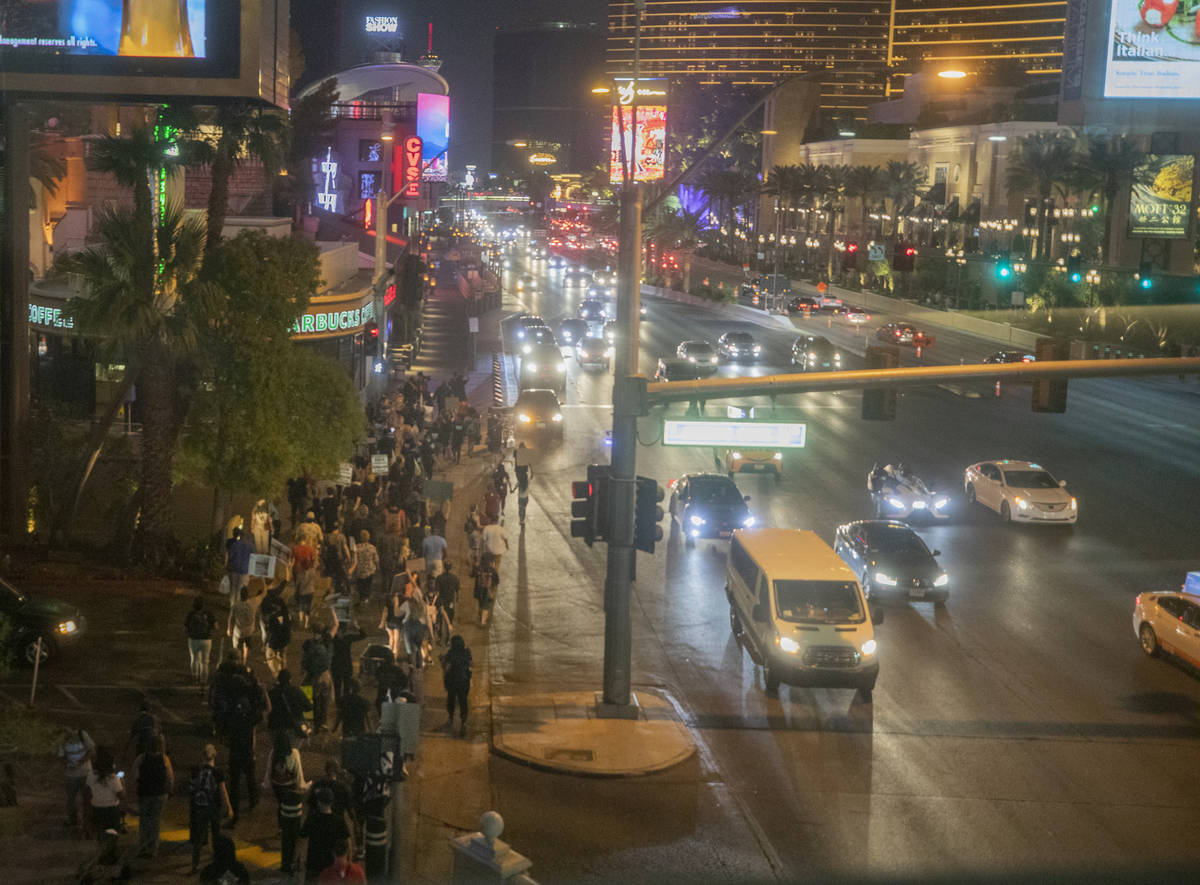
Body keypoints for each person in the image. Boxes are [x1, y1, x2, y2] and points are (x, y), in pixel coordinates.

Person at [263, 730, 309, 876]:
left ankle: (281, 826)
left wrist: (268, 783)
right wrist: (303, 785)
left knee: (281, 806)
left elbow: (269, 770)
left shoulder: (274, 753)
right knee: (294, 832)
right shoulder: (294, 753)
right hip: (290, 788)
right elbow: (298, 774)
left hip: (278, 787)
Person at [188, 744, 232, 873]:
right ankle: (216, 862)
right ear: (214, 756)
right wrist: (229, 808)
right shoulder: (217, 772)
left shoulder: (196, 770)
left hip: (200, 807)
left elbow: (191, 789)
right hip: (213, 808)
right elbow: (223, 791)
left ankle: (194, 865)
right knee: (216, 835)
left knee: (199, 837)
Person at [132, 733, 174, 858]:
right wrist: (170, 790)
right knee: (155, 821)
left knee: (144, 820)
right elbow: (170, 777)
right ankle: (153, 848)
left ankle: (143, 846)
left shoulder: (141, 758)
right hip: (160, 794)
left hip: (145, 793)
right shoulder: (164, 758)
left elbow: (135, 775)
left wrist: (139, 786)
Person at [301, 786, 351, 882]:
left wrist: (297, 858)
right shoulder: (339, 820)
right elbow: (348, 841)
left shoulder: (312, 818)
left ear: (319, 802)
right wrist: (348, 861)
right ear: (331, 802)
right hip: (332, 865)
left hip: (313, 864)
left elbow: (302, 839)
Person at [56, 724, 95, 829]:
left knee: (87, 798)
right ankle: (73, 819)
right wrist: (68, 764)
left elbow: (91, 751)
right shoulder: (62, 741)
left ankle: (88, 820)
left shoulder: (82, 735)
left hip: (85, 772)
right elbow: (61, 757)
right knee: (71, 799)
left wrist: (80, 762)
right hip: (71, 774)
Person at [85, 747, 124, 841]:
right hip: (112, 810)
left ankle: (102, 850)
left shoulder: (91, 774)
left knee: (100, 833)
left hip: (97, 808)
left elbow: (87, 792)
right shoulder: (113, 778)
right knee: (113, 835)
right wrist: (122, 782)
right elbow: (121, 795)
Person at [268, 669, 312, 741]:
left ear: (278, 680)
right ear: (290, 679)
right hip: (293, 727)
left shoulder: (272, 692)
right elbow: (309, 707)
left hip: (276, 727)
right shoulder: (296, 691)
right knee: (294, 749)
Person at [442, 635, 473, 737]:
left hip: (453, 681)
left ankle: (450, 718)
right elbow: (470, 664)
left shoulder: (450, 654)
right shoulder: (467, 652)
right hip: (464, 681)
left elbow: (447, 668)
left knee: (451, 699)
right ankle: (463, 722)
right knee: (463, 701)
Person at [185, 596, 216, 688]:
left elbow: (185, 628)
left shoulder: (191, 614)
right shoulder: (208, 613)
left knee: (194, 659)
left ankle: (195, 678)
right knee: (205, 662)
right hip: (206, 639)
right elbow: (215, 626)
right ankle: (203, 680)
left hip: (193, 639)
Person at [227, 585, 260, 667]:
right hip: (249, 631)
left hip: (239, 631)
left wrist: (229, 629)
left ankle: (237, 664)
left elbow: (231, 619)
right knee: (247, 647)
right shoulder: (252, 605)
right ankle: (245, 663)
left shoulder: (236, 606)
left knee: (236, 649)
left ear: (240, 595)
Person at [262, 592, 292, 677]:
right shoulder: (287, 616)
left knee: (271, 659)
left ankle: (277, 675)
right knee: (283, 655)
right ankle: (283, 670)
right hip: (285, 639)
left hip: (275, 642)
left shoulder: (272, 618)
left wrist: (265, 644)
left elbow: (270, 632)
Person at [225, 527, 254, 606]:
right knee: (241, 589)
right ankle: (238, 606)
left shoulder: (235, 545)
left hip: (234, 569)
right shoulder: (250, 546)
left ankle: (232, 605)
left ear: (240, 535)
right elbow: (253, 558)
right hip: (245, 570)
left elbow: (230, 556)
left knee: (233, 588)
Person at [352, 530, 379, 601]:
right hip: (370, 570)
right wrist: (377, 567)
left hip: (359, 570)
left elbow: (354, 560)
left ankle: (361, 597)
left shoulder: (356, 547)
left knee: (360, 585)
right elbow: (376, 559)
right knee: (368, 585)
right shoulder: (372, 547)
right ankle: (367, 598)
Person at [473, 556, 500, 626]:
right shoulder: (492, 570)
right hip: (488, 590)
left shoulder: (478, 568)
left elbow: (472, 575)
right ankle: (483, 621)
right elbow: (497, 581)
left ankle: (479, 616)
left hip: (479, 589)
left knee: (480, 603)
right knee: (486, 605)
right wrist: (493, 590)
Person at [433, 561, 460, 628]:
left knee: (440, 613)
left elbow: (437, 591)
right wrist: (458, 598)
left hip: (442, 600)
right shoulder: (455, 578)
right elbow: (457, 590)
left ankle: (439, 626)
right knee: (451, 612)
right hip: (450, 600)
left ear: (444, 567)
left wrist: (435, 600)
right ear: (451, 568)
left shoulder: (439, 578)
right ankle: (450, 624)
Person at [514, 449, 533, 527]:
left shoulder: (521, 481)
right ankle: (522, 520)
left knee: (520, 508)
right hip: (525, 498)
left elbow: (516, 485)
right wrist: (530, 466)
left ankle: (521, 519)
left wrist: (512, 490)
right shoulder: (527, 481)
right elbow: (532, 475)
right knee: (523, 509)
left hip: (521, 498)